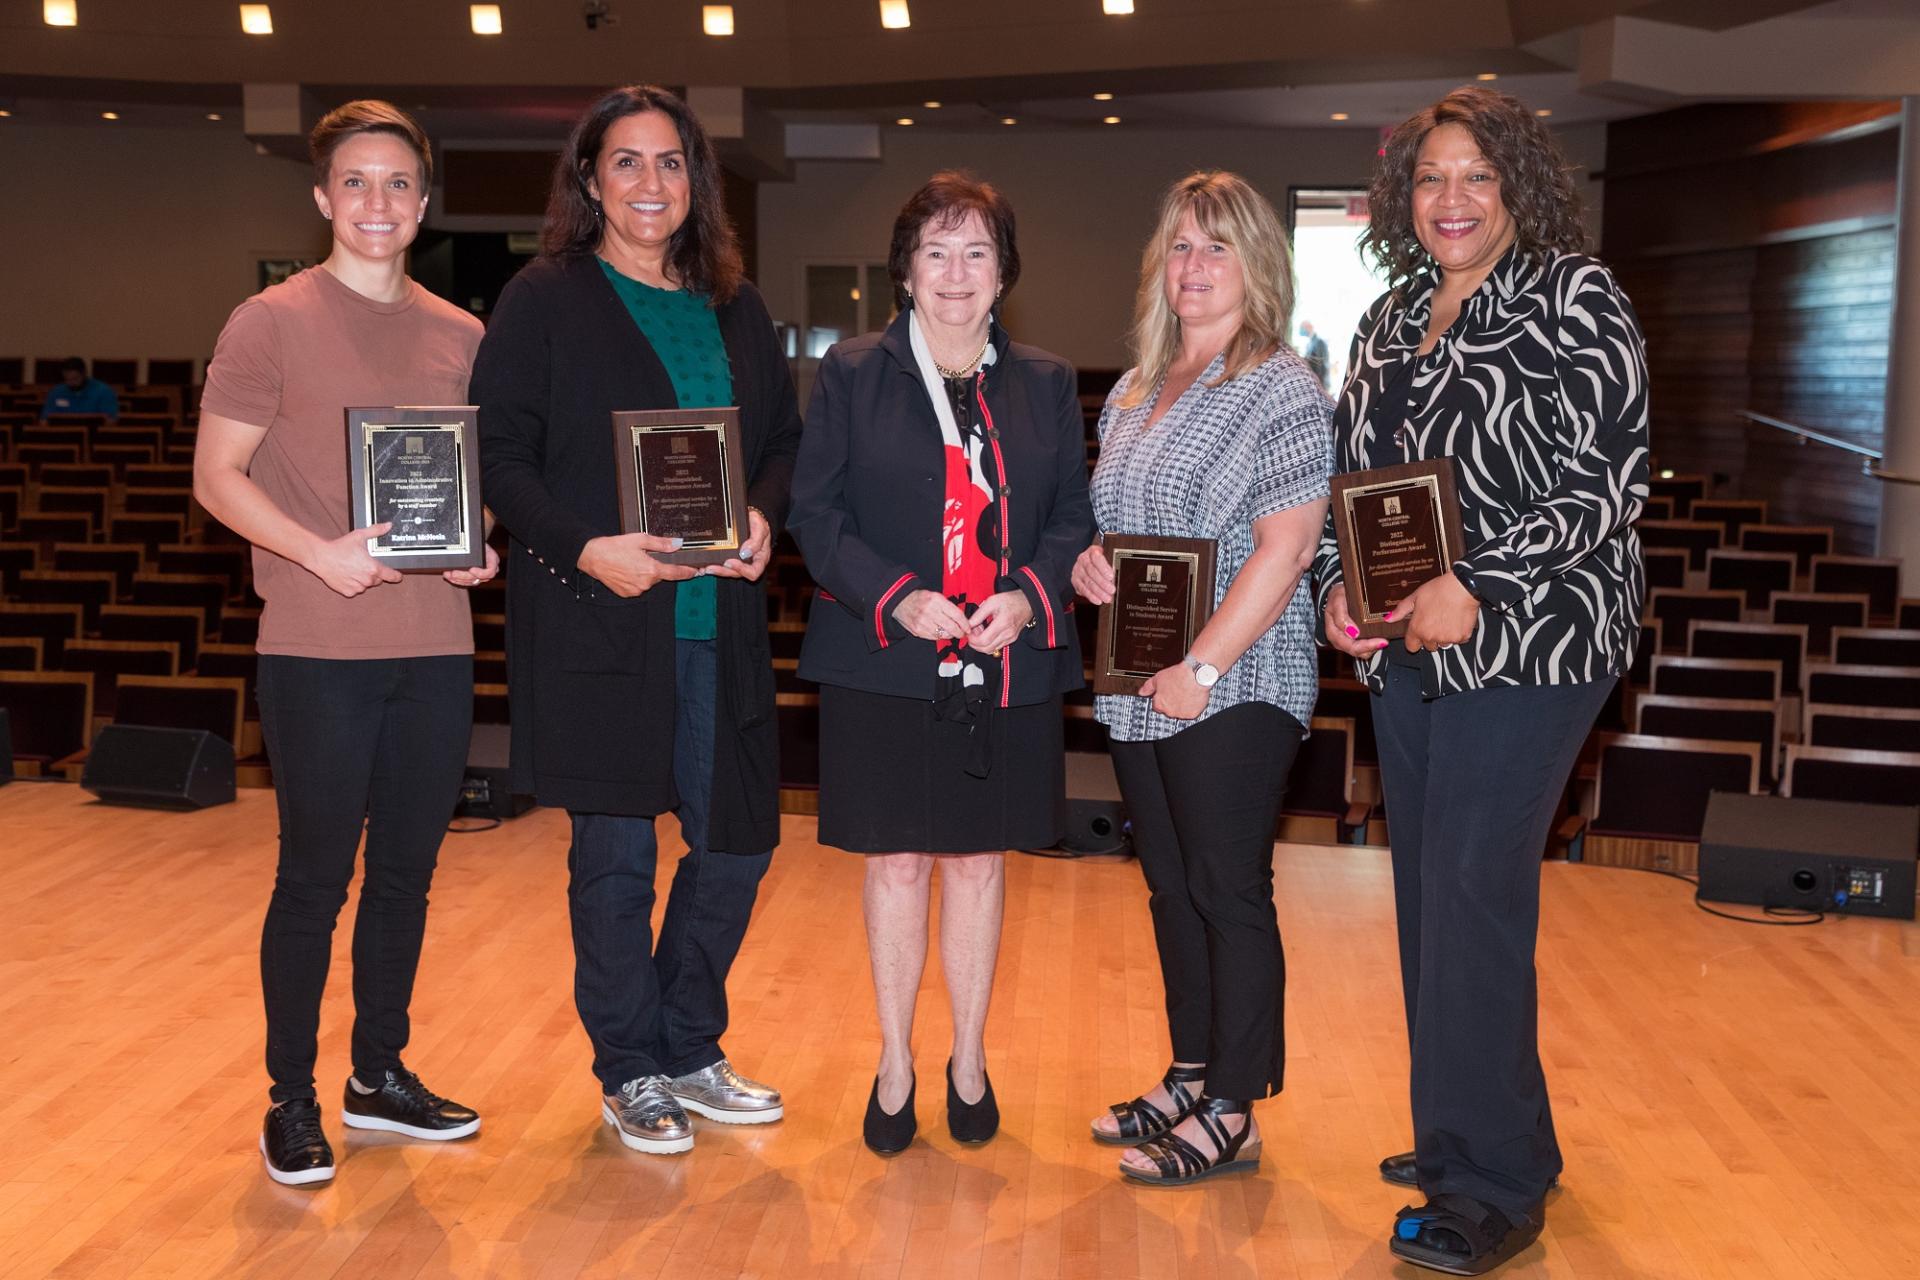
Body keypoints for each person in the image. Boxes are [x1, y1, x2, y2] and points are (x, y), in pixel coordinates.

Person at [1313, 86, 1648, 1274]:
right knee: (1428, 896)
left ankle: (1489, 1181)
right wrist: (1340, 595)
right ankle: (1479, 1123)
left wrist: (1482, 580)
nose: (1450, 200)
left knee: (1472, 888)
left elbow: (1609, 480)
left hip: (1536, 641)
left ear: (1516, 188)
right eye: (1430, 179)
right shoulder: (1392, 316)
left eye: (1476, 177)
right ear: (1406, 201)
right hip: (1409, 648)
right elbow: (1357, 484)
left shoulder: (1574, 297)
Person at [472, 85, 800, 1156]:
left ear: (697, 181)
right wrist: (585, 547)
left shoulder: (736, 304)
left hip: (720, 623)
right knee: (614, 853)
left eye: (670, 162)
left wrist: (761, 512)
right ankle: (629, 1065)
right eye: (626, 162)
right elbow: (501, 459)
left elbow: (784, 440)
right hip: (603, 623)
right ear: (590, 179)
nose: (650, 183)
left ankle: (685, 1040)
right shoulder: (545, 297)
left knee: (738, 840)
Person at [193, 100, 497, 1187]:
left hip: (435, 645)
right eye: (357, 183)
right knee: (315, 876)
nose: (379, 203)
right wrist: (319, 552)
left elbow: (471, 487)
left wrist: (478, 546)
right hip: (317, 647)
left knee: (407, 876)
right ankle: (291, 1096)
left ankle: (379, 1072)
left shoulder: (462, 333)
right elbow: (215, 476)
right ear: (325, 198)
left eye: (399, 184)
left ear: (424, 203)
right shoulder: (266, 321)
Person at [788, 171, 1091, 1155]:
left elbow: (1070, 519)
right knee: (900, 859)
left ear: (1004, 272)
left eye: (976, 252)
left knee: (975, 859)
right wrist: (897, 595)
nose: (955, 272)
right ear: (905, 271)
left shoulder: (1044, 382)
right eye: (935, 251)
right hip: (887, 657)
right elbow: (816, 515)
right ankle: (893, 1059)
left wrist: (1027, 596)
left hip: (1003, 657)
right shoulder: (851, 370)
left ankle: (966, 1053)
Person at [1072, 171, 1331, 1186]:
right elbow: (1125, 525)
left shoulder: (1282, 384)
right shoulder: (1139, 386)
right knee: (1172, 886)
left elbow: (1289, 544)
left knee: (1228, 886)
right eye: (1180, 246)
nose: (1195, 266)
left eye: (1217, 246)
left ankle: (1233, 1104)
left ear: (1256, 264)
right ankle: (1187, 1073)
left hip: (1238, 675)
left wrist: (1204, 663)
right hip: (1140, 677)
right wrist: (1091, 561)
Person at [41, 357, 119, 420]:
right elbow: (45, 420)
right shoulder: (56, 392)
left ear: (84, 374)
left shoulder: (103, 392)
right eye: (67, 380)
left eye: (75, 379)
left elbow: (111, 421)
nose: (71, 383)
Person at [1297, 321, 1331, 391]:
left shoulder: (1319, 342)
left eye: (1303, 328)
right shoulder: (1310, 343)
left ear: (1309, 327)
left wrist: (1319, 385)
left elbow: (1321, 365)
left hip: (1321, 383)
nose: (1302, 330)